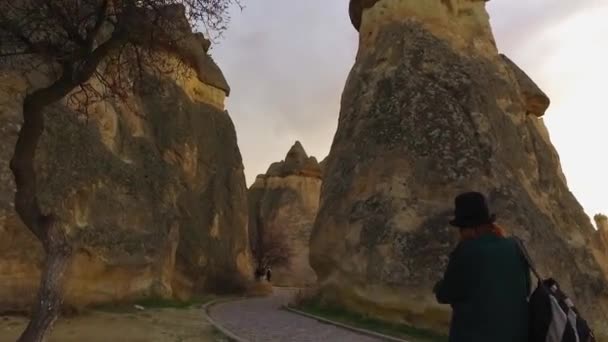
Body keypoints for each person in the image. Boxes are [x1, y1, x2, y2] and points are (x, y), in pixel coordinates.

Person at [433, 191, 531, 342]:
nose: (460, 234)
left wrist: (438, 287)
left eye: (461, 229)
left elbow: (447, 293)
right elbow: (526, 288)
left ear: (471, 229)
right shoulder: (516, 246)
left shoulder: (467, 250)